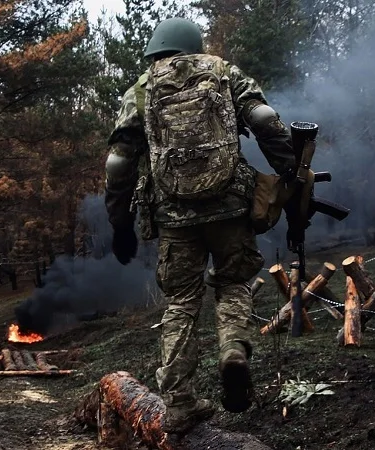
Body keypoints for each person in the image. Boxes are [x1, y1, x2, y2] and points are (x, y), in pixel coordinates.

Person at [103, 17, 296, 434]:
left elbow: (118, 160)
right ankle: (233, 353)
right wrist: (288, 170)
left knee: (182, 302)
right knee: (234, 283)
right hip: (230, 208)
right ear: (194, 44)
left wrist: (119, 223)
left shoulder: (141, 88)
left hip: (173, 217)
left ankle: (179, 402)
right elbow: (263, 119)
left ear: (156, 50)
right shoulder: (224, 72)